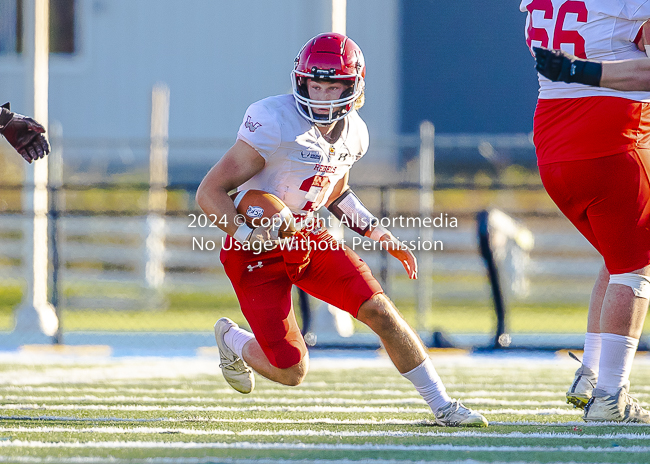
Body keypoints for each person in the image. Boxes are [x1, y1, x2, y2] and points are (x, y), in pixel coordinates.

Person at [196, 32, 488, 427]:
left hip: (309, 237)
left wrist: (380, 234)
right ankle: (232, 337)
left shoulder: (356, 133)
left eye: (332, 87)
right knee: (290, 372)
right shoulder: (272, 120)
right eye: (315, 85)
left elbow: (335, 192)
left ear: (353, 87)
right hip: (255, 246)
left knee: (380, 310)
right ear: (301, 81)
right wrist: (247, 234)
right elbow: (210, 191)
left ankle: (443, 406)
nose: (321, 96)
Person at [521, 0, 650, 422]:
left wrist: (582, 70)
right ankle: (611, 396)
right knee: (638, 266)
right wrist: (586, 71)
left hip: (553, 141)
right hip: (610, 136)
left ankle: (592, 376)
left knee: (619, 260)